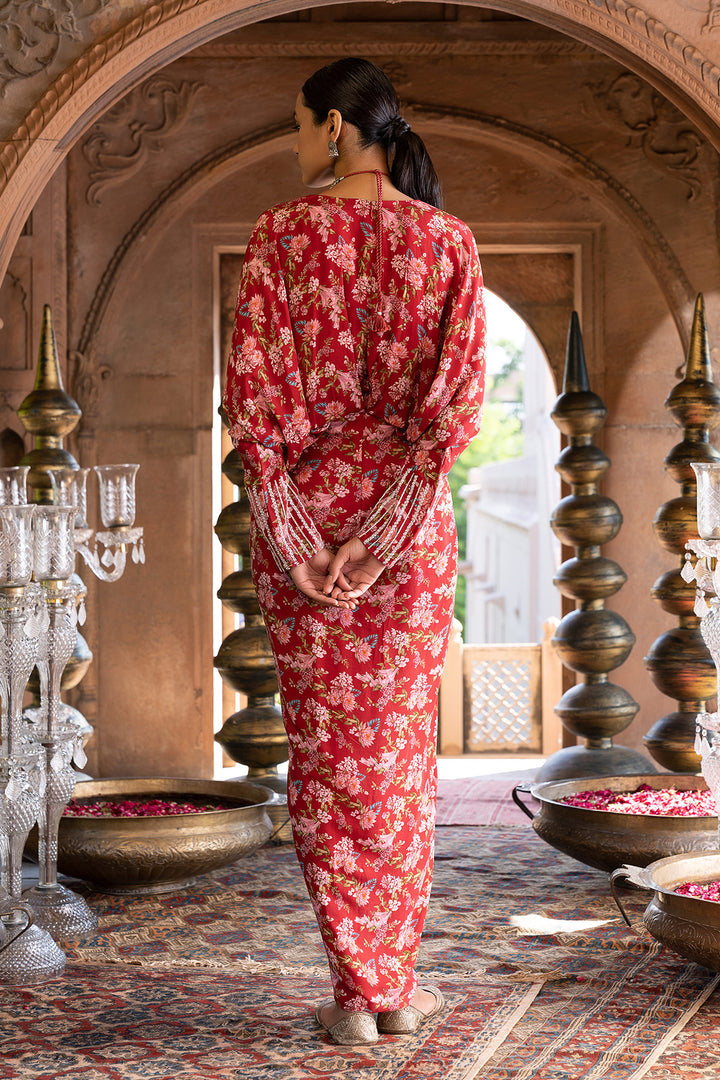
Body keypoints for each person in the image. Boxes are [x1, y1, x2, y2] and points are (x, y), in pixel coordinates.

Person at [223, 57, 486, 1046]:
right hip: (409, 537)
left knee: (328, 762)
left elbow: (259, 415)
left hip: (306, 531)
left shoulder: (278, 238)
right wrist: (382, 540)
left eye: (297, 128)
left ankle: (353, 993)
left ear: (336, 127)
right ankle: (396, 985)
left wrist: (305, 541)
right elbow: (450, 419)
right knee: (400, 757)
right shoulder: (448, 244)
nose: (294, 148)